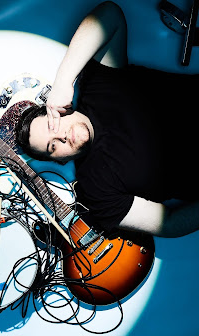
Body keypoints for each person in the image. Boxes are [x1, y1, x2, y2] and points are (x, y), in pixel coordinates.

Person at [15, 1, 199, 238]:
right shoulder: (95, 191)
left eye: (52, 126)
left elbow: (110, 15)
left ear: (56, 110)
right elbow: (169, 224)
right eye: (52, 147)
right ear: (59, 161)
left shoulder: (97, 86)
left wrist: (63, 82)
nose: (61, 136)